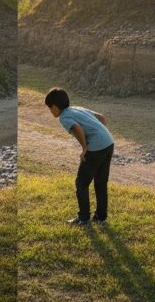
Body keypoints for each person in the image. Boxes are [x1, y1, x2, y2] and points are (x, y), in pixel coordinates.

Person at [44, 87, 114, 226]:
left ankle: (84, 219)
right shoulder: (77, 109)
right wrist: (101, 134)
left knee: (81, 183)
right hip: (109, 142)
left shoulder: (64, 117)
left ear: (55, 107)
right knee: (100, 182)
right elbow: (101, 117)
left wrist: (84, 148)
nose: (50, 111)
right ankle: (100, 217)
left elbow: (77, 128)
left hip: (96, 147)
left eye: (50, 108)